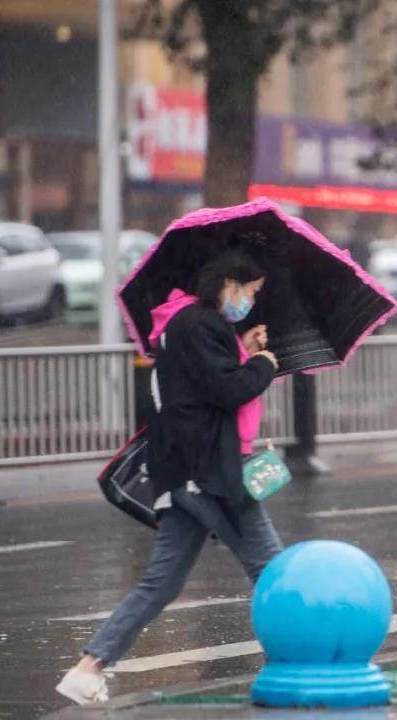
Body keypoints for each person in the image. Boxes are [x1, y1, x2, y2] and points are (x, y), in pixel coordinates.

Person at [55, 250, 282, 705]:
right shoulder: (201, 325)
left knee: (163, 582)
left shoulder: (184, 326)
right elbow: (227, 389)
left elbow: (205, 385)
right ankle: (307, 657)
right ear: (229, 284)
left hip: (183, 473)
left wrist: (246, 351)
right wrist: (264, 365)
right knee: (274, 570)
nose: (251, 303)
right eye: (250, 292)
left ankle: (89, 667)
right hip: (209, 471)